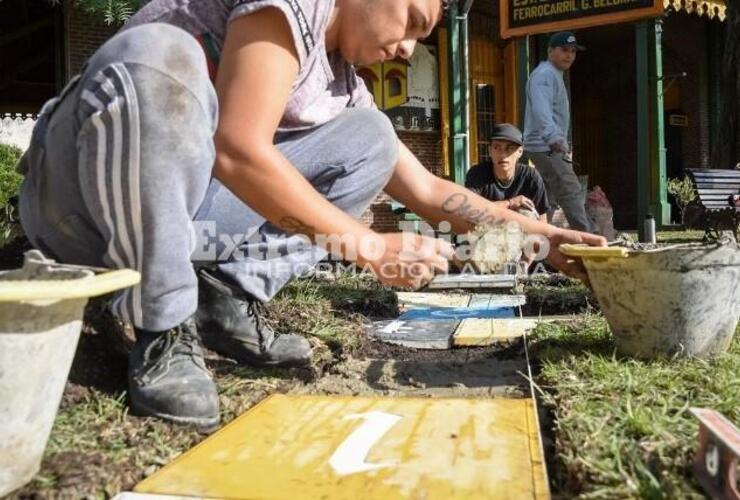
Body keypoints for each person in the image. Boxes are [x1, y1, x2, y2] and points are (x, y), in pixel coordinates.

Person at [17, 0, 605, 429]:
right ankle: (162, 326)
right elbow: (238, 148)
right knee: (160, 55)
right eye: (412, 22)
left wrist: (545, 238)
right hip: (80, 202)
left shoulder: (341, 82)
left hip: (176, 219)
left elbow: (426, 189)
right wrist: (370, 247)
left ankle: (223, 297)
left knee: (372, 137)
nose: (407, 49)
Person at [523, 31, 595, 233]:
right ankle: (589, 241)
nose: (569, 55)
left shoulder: (551, 74)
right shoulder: (545, 75)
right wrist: (553, 137)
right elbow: (541, 109)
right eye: (564, 50)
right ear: (550, 51)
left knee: (550, 198)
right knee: (570, 190)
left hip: (544, 145)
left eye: (573, 51)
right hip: (545, 145)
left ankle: (539, 243)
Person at [465, 123, 549, 223]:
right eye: (497, 147)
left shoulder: (531, 177)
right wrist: (510, 203)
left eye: (510, 148)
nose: (503, 155)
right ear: (489, 151)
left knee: (527, 213)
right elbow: (469, 213)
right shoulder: (477, 174)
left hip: (522, 234)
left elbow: (542, 219)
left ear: (520, 152)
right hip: (487, 233)